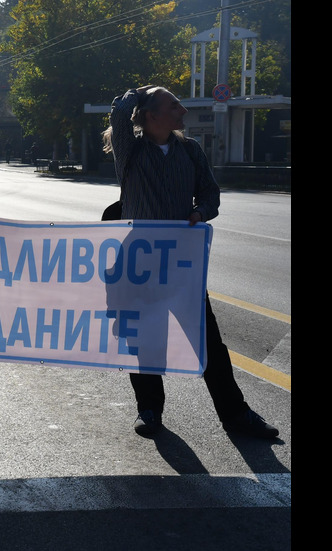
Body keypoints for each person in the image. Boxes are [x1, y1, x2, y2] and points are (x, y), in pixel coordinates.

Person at [103, 86, 279, 439]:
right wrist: (136, 93)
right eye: (174, 105)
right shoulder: (131, 152)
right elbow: (119, 114)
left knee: (209, 343)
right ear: (152, 115)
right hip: (139, 266)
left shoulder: (189, 149)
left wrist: (200, 211)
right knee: (146, 341)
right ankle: (149, 411)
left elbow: (211, 194)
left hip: (182, 266)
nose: (183, 111)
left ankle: (236, 415)